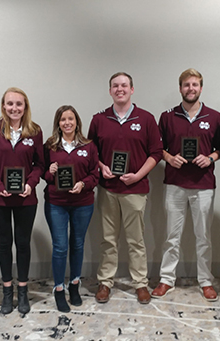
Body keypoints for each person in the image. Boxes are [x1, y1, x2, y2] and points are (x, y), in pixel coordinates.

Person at [88, 72, 163, 305]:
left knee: (136, 240)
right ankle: (105, 282)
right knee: (108, 239)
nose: (119, 89)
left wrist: (138, 175)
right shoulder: (99, 119)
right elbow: (91, 153)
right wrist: (101, 167)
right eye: (115, 86)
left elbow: (156, 153)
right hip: (108, 189)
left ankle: (140, 283)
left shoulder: (147, 119)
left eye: (124, 85)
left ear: (132, 89)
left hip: (135, 189)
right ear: (110, 90)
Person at [152, 68, 220, 301]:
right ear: (180, 88)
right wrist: (169, 158)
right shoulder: (167, 117)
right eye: (186, 85)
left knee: (203, 236)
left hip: (203, 184)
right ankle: (166, 279)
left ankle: (205, 281)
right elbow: (156, 147)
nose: (190, 89)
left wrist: (210, 157)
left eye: (195, 85)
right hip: (175, 183)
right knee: (171, 236)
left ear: (201, 88)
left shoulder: (214, 116)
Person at [0, 87, 44, 314]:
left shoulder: (35, 132)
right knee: (4, 244)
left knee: (23, 244)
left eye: (19, 104)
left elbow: (40, 165)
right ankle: (7, 292)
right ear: (3, 106)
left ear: (25, 107)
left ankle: (23, 291)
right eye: (10, 104)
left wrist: (30, 184)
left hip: (26, 199)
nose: (14, 108)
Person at [43, 105, 99, 312]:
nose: (67, 122)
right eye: (63, 119)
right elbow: (43, 174)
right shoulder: (49, 146)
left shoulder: (89, 146)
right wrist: (49, 171)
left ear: (77, 122)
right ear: (58, 122)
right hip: (56, 203)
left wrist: (83, 184)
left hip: (82, 203)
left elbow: (95, 174)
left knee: (77, 244)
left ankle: (74, 284)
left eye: (71, 119)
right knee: (60, 247)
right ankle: (59, 289)